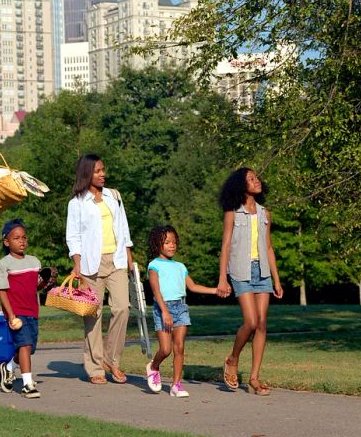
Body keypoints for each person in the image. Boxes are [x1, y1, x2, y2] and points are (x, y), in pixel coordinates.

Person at [66, 154, 133, 385]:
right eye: (97, 171)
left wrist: (130, 259)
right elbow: (73, 237)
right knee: (93, 316)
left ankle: (111, 359)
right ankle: (95, 367)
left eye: (103, 170)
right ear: (86, 174)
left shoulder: (113, 196)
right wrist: (77, 264)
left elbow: (123, 229)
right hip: (89, 264)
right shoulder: (76, 203)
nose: (103, 174)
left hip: (116, 260)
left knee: (122, 308)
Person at [216, 167, 283, 396]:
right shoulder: (233, 212)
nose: (257, 181)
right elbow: (225, 245)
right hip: (241, 271)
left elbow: (268, 246)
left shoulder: (265, 213)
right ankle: (233, 359)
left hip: (262, 271)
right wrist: (222, 278)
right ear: (241, 185)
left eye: (257, 178)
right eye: (251, 179)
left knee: (262, 324)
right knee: (251, 322)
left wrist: (276, 279)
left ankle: (254, 378)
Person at [145, 225, 218, 397]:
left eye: (174, 242)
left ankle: (176, 385)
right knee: (165, 349)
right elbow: (156, 291)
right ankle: (154, 367)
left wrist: (215, 290)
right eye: (167, 242)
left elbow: (192, 286)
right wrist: (164, 311)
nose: (172, 245)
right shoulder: (154, 265)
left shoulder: (180, 266)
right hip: (163, 308)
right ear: (158, 244)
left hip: (181, 308)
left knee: (179, 348)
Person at [0, 219, 53, 398]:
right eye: (16, 238)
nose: (22, 241)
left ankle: (9, 367)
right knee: (25, 345)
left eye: (24, 238)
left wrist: (45, 281)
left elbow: (35, 287)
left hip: (32, 310)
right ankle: (28, 384)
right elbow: (3, 292)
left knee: (27, 348)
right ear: (7, 241)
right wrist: (11, 315)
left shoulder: (34, 261)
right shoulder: (3, 264)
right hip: (16, 312)